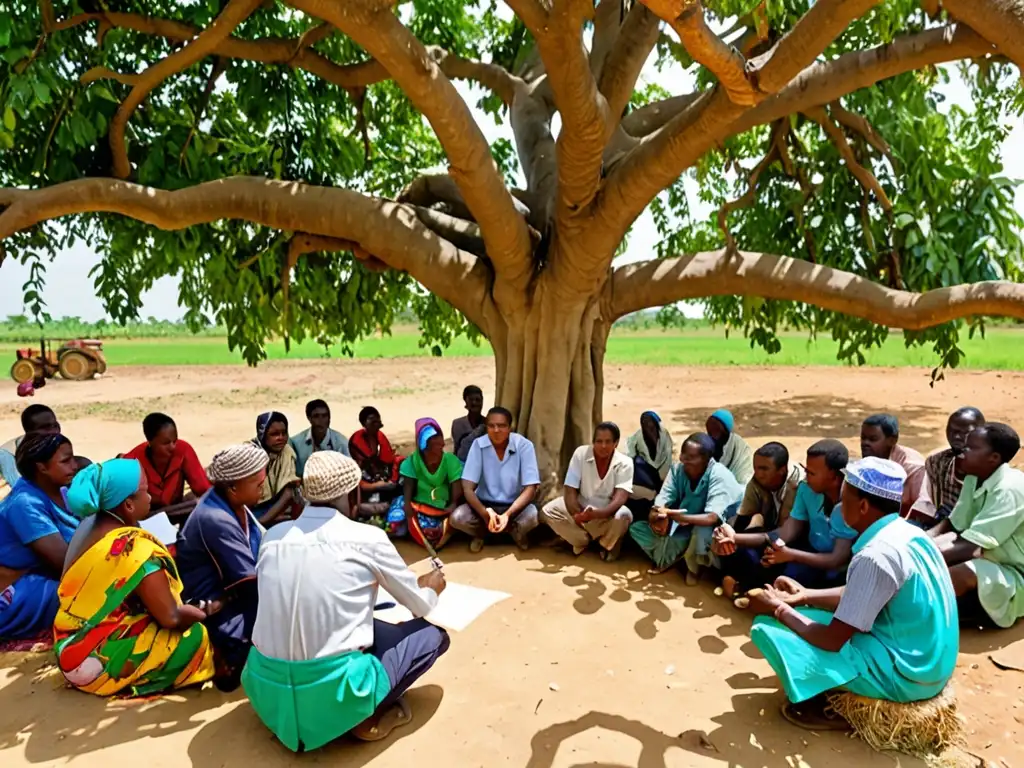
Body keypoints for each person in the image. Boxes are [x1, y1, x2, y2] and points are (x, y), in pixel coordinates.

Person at [243, 452, 449, 750]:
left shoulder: (273, 537)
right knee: (432, 637)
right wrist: (432, 586)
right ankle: (363, 717)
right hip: (335, 693)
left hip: (267, 691)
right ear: (353, 492)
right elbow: (422, 606)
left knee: (368, 623)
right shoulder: (367, 538)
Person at [746, 458, 958, 727]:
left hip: (908, 677)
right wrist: (805, 595)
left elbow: (831, 640)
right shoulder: (908, 534)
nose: (839, 505)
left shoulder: (874, 556)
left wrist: (777, 609)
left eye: (844, 498)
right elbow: (864, 593)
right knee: (803, 612)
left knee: (769, 628)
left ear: (863, 505)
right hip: (931, 666)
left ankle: (835, 708)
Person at [54, 459, 218, 696]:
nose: (150, 497)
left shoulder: (88, 524)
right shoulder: (136, 550)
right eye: (145, 492)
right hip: (96, 663)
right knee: (197, 637)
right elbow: (171, 618)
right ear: (128, 505)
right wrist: (205, 611)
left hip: (66, 642)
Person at [176, 443, 269, 691]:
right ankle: (224, 658)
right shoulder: (216, 519)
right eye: (258, 483)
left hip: (232, 597)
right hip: (218, 611)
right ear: (233, 487)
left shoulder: (234, 505)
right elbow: (251, 584)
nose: (264, 484)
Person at [714, 440, 857, 597]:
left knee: (795, 582)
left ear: (834, 476)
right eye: (806, 470)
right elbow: (786, 532)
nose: (806, 476)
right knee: (763, 559)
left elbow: (837, 560)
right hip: (809, 554)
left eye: (812, 473)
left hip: (841, 568)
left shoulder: (849, 504)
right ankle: (748, 590)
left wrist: (790, 554)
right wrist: (735, 538)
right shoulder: (805, 489)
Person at [929, 423, 1024, 628]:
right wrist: (917, 543)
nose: (962, 452)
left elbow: (972, 546)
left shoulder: (1009, 489)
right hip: (991, 560)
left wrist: (917, 557)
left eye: (971, 448)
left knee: (959, 573)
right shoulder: (974, 477)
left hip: (1016, 573)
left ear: (994, 458)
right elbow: (955, 527)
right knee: (933, 564)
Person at [629, 433, 742, 583]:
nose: (682, 459)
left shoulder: (719, 475)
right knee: (638, 529)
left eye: (690, 457)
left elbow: (712, 517)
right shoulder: (678, 469)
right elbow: (662, 499)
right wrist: (657, 515)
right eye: (683, 454)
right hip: (687, 520)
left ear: (706, 459)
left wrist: (677, 517)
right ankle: (674, 557)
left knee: (700, 532)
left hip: (723, 526)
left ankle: (695, 568)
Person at [0, 433, 79, 639]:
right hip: (13, 588)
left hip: (37, 575)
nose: (74, 466)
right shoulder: (25, 504)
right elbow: (65, 563)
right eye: (65, 461)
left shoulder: (59, 490)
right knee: (87, 599)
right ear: (42, 467)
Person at [542, 422, 634, 561]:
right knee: (548, 511)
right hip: (581, 508)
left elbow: (620, 498)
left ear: (616, 443)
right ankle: (583, 540)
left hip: (606, 514)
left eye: (608, 442)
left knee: (624, 515)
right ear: (593, 442)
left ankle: (606, 544)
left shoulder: (625, 462)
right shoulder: (581, 453)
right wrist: (577, 514)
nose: (603, 446)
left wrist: (598, 514)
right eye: (599, 441)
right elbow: (570, 489)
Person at [454, 407, 541, 553]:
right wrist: (484, 513)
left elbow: (530, 488)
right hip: (485, 505)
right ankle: (481, 534)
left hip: (514, 506)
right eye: (491, 426)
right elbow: (468, 487)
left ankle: (515, 532)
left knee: (532, 516)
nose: (496, 430)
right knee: (458, 518)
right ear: (486, 427)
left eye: (501, 426)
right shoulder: (478, 445)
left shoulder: (524, 446)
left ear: (510, 428)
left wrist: (508, 515)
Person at [122, 413, 212, 520]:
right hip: (147, 519)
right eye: (166, 443)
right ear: (150, 441)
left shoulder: (183, 449)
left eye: (174, 441)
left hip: (179, 510)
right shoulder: (132, 461)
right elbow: (128, 507)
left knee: (205, 501)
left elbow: (203, 489)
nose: (173, 447)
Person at [391, 418, 463, 550]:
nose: (440, 444)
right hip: (419, 506)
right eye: (433, 442)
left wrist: (453, 504)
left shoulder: (450, 461)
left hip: (443, 508)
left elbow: (456, 486)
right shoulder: (412, 462)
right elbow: (408, 488)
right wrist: (408, 507)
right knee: (398, 516)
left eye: (439, 439)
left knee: (441, 528)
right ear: (424, 446)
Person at [908, 407, 985, 527]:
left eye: (965, 432)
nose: (957, 437)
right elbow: (936, 505)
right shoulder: (937, 462)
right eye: (952, 431)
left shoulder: (990, 471)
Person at [730, 442, 804, 533]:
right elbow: (743, 518)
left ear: (782, 470)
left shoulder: (799, 485)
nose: (759, 474)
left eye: (764, 469)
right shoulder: (757, 480)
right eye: (755, 468)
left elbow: (790, 528)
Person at [860, 414, 925, 516]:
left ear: (892, 440)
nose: (865, 443)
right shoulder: (870, 462)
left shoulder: (913, 467)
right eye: (863, 438)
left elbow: (922, 510)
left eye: (873, 439)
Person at [349, 407, 403, 519]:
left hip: (386, 483)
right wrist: (377, 485)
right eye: (372, 421)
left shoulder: (381, 439)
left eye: (377, 421)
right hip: (369, 489)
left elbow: (389, 461)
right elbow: (357, 480)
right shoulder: (356, 444)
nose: (376, 424)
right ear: (364, 423)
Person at [252, 411, 302, 525]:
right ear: (262, 434)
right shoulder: (250, 453)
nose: (281, 438)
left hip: (277, 506)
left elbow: (288, 492)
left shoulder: (286, 451)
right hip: (251, 508)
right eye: (274, 434)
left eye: (284, 433)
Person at [0, 404, 61, 487]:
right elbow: (18, 486)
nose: (53, 431)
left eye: (55, 425)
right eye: (45, 428)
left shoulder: (55, 443)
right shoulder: (7, 454)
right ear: (29, 432)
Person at [290, 399, 350, 476]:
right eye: (316, 416)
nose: (321, 420)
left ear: (329, 418)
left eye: (324, 416)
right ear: (309, 418)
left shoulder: (341, 443)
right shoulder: (296, 442)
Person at [625, 411, 673, 505]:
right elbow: (630, 455)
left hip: (662, 470)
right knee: (638, 462)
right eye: (645, 423)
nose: (648, 425)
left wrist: (663, 476)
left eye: (650, 424)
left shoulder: (664, 434)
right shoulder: (637, 436)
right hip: (646, 470)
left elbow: (668, 455)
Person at [706, 409, 754, 486]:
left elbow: (743, 482)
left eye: (717, 430)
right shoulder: (708, 446)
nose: (713, 435)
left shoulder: (740, 450)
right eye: (710, 430)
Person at [451, 385, 485, 461]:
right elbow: (457, 450)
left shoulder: (489, 423)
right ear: (465, 402)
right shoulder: (458, 424)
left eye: (477, 400)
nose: (474, 403)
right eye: (471, 400)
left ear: (482, 401)